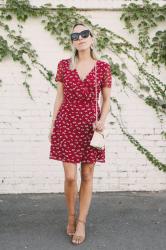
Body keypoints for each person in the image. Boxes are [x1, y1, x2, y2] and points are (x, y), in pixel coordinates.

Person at [49, 22, 112, 245]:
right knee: (69, 176)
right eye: (75, 35)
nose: (80, 37)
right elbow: (60, 98)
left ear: (92, 38)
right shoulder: (64, 65)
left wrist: (102, 121)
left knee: (86, 176)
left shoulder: (102, 67)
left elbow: (106, 100)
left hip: (90, 126)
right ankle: (71, 216)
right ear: (72, 41)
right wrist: (53, 123)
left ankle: (82, 221)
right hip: (66, 123)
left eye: (84, 34)